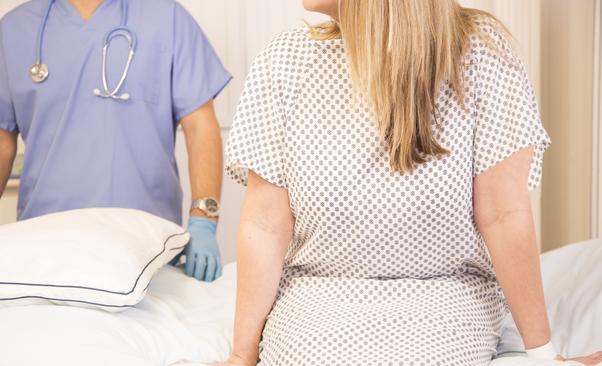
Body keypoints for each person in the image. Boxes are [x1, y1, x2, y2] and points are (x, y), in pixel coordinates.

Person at [215, 0, 602, 365]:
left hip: (447, 296)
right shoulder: (285, 61)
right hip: (317, 295)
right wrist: (242, 356)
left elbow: (503, 215)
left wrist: (544, 354)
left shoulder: (481, 54)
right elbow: (266, 224)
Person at [0, 0, 231, 282]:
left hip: (147, 247)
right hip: (43, 245)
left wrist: (203, 221)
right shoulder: (15, 29)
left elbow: (200, 125)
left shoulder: (167, 18)